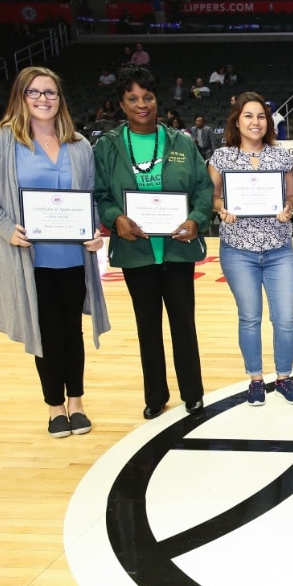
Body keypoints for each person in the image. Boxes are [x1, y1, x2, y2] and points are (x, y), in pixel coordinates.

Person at [0, 66, 109, 437]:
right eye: (35, 92)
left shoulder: (78, 144)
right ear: (21, 96)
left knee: (72, 333)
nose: (43, 99)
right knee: (47, 334)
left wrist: (94, 233)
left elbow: (90, 199)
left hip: (71, 258)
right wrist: (5, 229)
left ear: (60, 99)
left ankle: (77, 402)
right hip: (29, 260)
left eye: (50, 93)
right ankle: (55, 407)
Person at [93, 65, 212, 419]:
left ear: (157, 100)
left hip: (177, 250)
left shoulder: (182, 142)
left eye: (147, 97)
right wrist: (115, 218)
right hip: (135, 252)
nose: (141, 104)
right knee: (148, 327)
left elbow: (203, 190)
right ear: (122, 103)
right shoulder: (108, 146)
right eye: (133, 98)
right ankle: (155, 395)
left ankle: (192, 392)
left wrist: (196, 219)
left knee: (183, 324)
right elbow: (100, 195)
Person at [209, 91, 293, 407]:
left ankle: (285, 377)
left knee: (285, 318)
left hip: (278, 247)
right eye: (248, 115)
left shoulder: (281, 156)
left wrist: (288, 208)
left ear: (268, 121)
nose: (255, 122)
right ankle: (255, 379)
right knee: (249, 317)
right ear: (237, 120)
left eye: (261, 116)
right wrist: (223, 208)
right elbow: (214, 197)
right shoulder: (222, 158)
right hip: (238, 249)